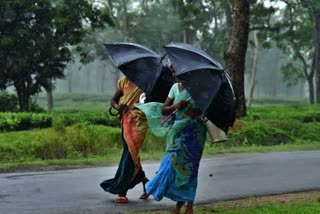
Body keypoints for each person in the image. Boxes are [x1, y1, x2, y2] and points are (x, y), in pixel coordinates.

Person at [136, 66, 206, 214]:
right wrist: (176, 106)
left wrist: (195, 111)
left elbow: (205, 109)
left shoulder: (198, 89)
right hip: (177, 132)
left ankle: (189, 205)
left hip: (194, 134)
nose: (174, 74)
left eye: (177, 71)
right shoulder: (174, 87)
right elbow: (164, 109)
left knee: (189, 168)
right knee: (170, 165)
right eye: (173, 71)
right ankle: (173, 202)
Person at [100, 76, 150, 203]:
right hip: (126, 122)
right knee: (131, 155)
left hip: (139, 123)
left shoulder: (146, 82)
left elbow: (149, 103)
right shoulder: (123, 82)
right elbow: (113, 100)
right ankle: (146, 182)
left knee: (129, 155)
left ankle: (122, 190)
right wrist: (118, 107)